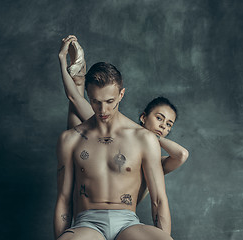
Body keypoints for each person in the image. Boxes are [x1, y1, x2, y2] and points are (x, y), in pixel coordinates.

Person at [54, 37, 173, 240]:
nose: (103, 110)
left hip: (127, 223)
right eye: (95, 102)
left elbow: (159, 200)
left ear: (121, 95)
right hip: (87, 224)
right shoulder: (71, 139)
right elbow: (64, 200)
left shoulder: (143, 138)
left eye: (110, 102)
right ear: (88, 97)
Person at [60, 35, 189, 204]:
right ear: (143, 117)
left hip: (123, 216)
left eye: (168, 124)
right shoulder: (121, 134)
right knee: (76, 120)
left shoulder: (155, 161)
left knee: (75, 117)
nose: (163, 126)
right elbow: (75, 98)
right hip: (92, 200)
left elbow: (181, 155)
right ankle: (79, 77)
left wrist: (151, 136)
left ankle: (78, 76)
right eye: (159, 118)